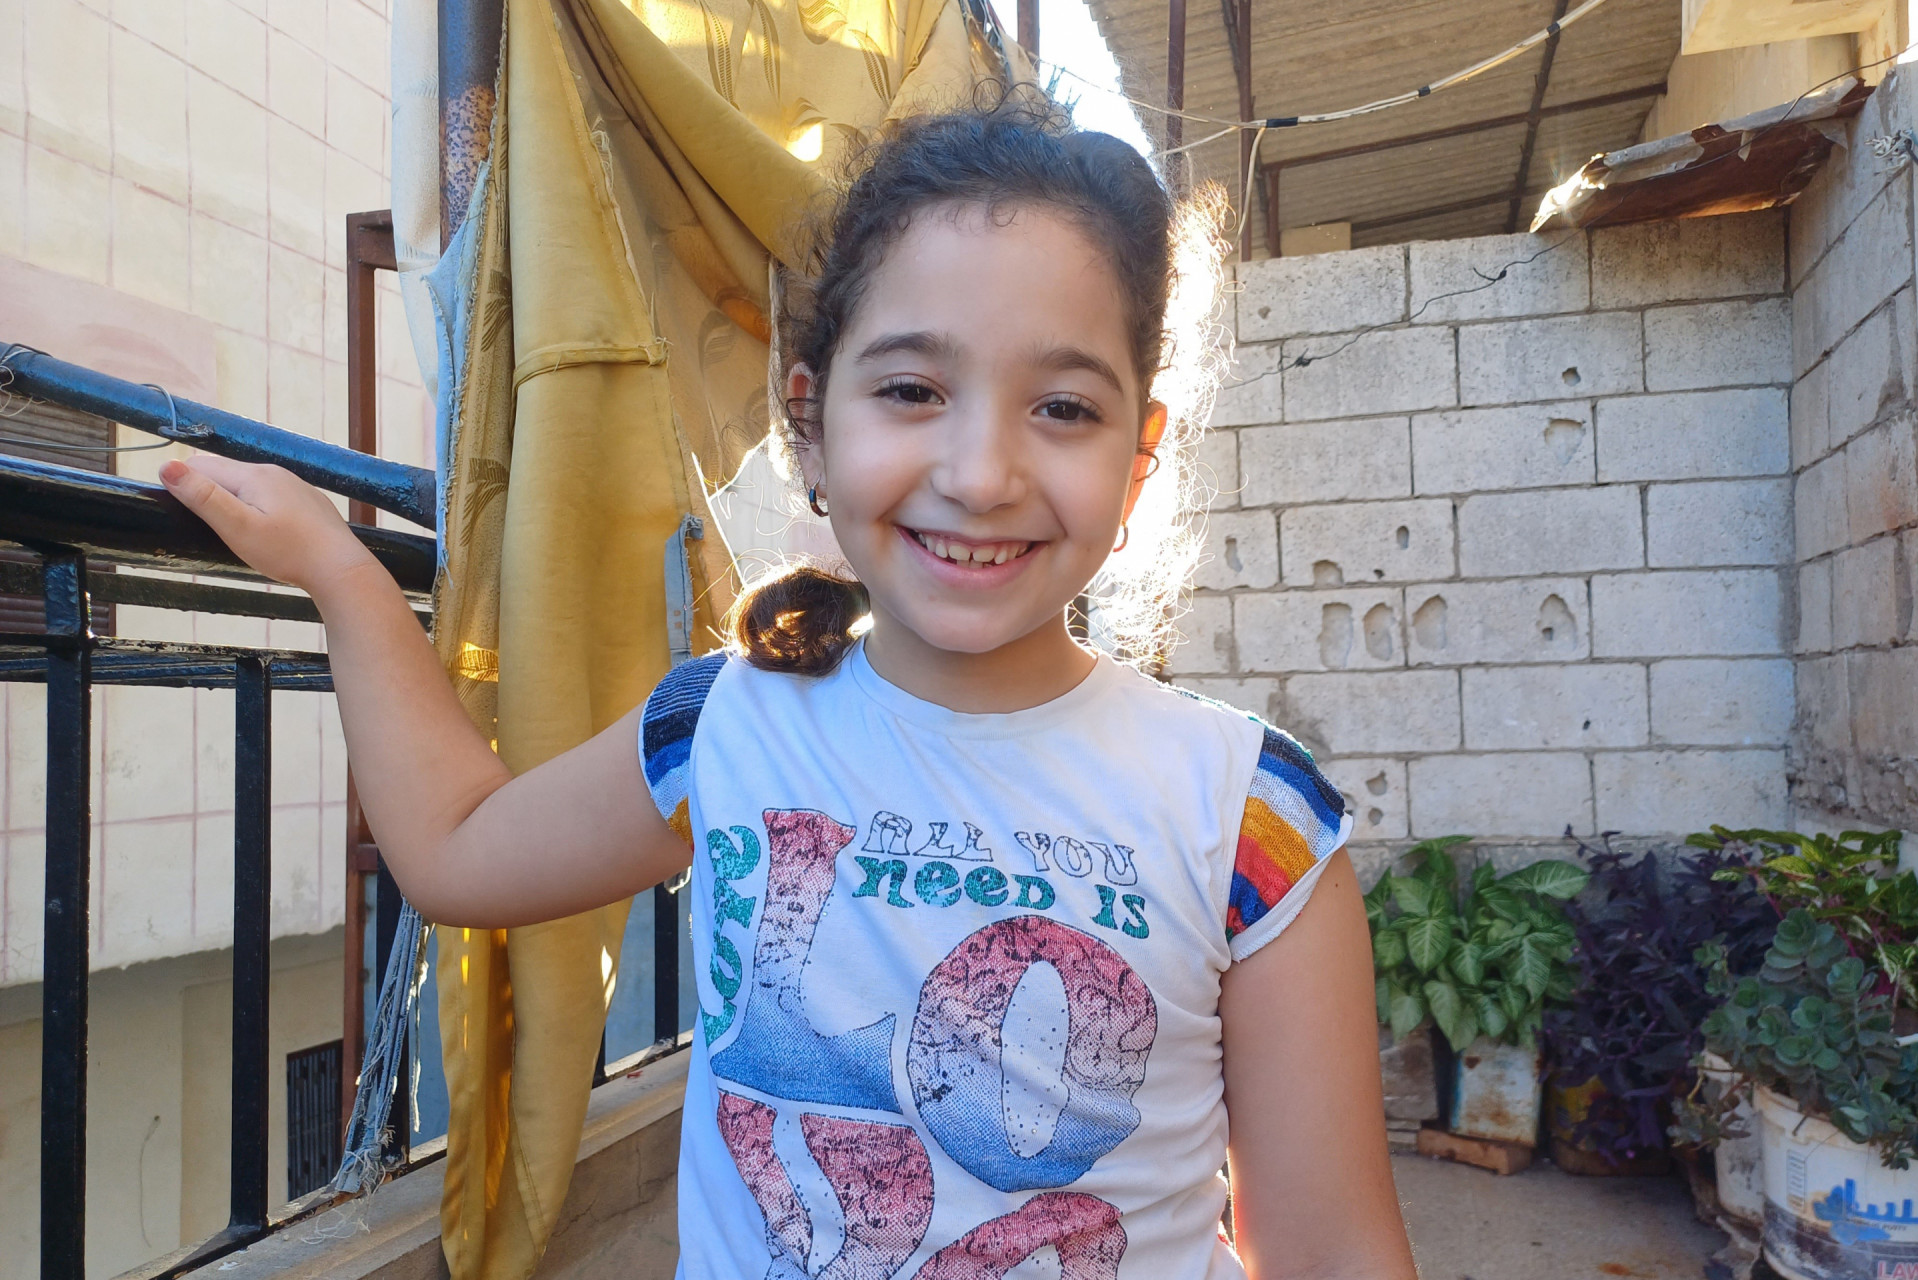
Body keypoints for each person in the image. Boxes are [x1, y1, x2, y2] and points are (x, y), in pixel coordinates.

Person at [160, 94, 1416, 1280]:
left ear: (1138, 461)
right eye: (912, 390)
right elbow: (455, 849)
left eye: (1063, 406)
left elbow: (1333, 1255)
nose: (980, 473)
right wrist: (341, 570)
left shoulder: (1251, 815)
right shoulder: (727, 722)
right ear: (811, 423)